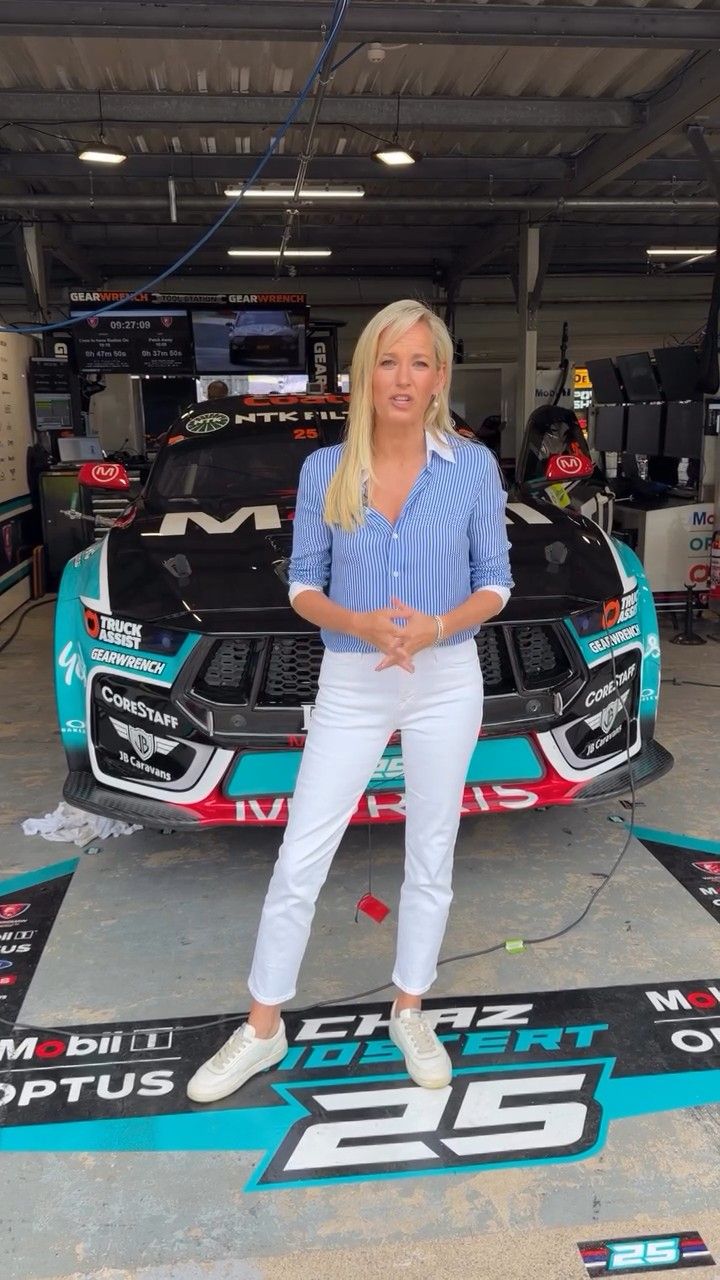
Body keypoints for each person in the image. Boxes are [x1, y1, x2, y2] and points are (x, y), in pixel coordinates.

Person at [186, 298, 513, 1104]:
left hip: (445, 679)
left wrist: (437, 626)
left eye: (419, 362)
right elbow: (303, 585)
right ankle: (263, 1027)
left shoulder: (472, 468)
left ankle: (411, 1010)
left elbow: (497, 583)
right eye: (388, 361)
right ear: (365, 374)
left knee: (431, 850)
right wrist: (358, 622)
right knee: (302, 852)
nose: (403, 378)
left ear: (439, 376)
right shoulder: (325, 470)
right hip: (351, 679)